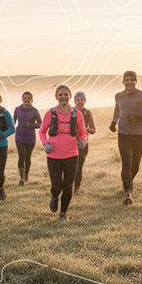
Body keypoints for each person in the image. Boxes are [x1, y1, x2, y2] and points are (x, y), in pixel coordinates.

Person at [108, 71, 142, 205]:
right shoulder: (118, 96)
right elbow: (117, 110)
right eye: (127, 80)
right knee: (126, 163)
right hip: (123, 134)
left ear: (136, 82)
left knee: (135, 165)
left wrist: (140, 117)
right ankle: (127, 192)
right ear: (123, 82)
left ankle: (128, 182)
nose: (129, 82)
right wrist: (114, 122)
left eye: (132, 80)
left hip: (139, 134)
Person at [39, 85, 88, 221]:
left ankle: (63, 212)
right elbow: (42, 131)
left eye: (66, 94)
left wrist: (83, 141)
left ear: (70, 96)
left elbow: (83, 132)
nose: (63, 97)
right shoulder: (50, 113)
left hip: (72, 154)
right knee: (57, 186)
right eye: (60, 95)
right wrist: (46, 144)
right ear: (56, 97)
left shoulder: (76, 114)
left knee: (68, 185)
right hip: (53, 155)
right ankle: (54, 196)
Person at [13, 91, 42, 185]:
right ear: (22, 99)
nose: (26, 100)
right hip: (19, 136)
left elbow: (40, 124)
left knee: (27, 158)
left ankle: (26, 174)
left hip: (30, 138)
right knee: (21, 157)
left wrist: (31, 125)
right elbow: (12, 121)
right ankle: (21, 177)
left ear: (32, 100)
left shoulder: (34, 110)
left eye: (28, 98)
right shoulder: (17, 109)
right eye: (25, 98)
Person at [73, 91, 96, 194]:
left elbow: (93, 130)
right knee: (70, 167)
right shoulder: (70, 111)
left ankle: (76, 188)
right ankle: (69, 186)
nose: (80, 102)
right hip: (70, 143)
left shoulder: (87, 113)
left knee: (79, 167)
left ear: (85, 101)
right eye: (77, 100)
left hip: (83, 144)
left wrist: (87, 129)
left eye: (82, 100)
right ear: (74, 101)